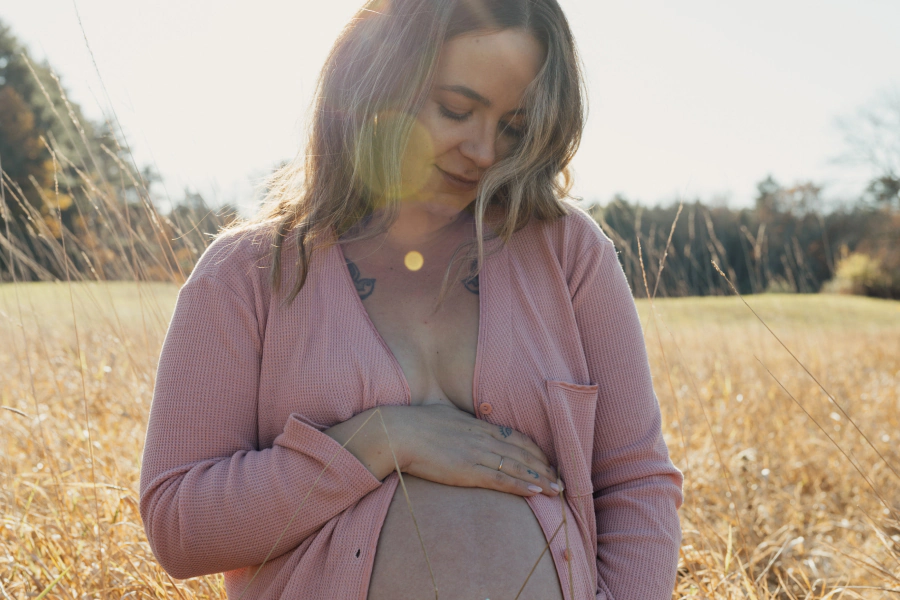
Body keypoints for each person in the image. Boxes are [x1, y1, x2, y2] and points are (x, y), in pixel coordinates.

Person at [139, 0, 684, 598]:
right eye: (456, 108)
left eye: (513, 126)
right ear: (379, 82)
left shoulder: (566, 251)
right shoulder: (250, 273)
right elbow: (180, 525)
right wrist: (377, 442)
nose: (483, 150)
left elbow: (635, 483)